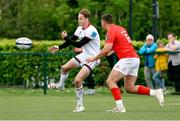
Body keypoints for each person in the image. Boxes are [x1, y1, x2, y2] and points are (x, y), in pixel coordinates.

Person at [86, 14, 164, 113]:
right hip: (134, 59)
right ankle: (155, 92)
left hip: (127, 59)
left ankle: (120, 107)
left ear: (103, 22)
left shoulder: (111, 31)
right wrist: (109, 51)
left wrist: (94, 58)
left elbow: (106, 49)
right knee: (130, 88)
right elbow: (120, 44)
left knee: (110, 81)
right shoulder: (120, 28)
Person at [48, 9, 100, 112]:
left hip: (93, 58)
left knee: (77, 80)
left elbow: (79, 44)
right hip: (84, 55)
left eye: (81, 18)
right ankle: (60, 86)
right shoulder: (79, 28)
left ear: (87, 19)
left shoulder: (92, 31)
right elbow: (72, 39)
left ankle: (80, 106)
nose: (79, 20)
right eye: (78, 18)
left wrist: (66, 38)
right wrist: (59, 47)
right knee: (64, 68)